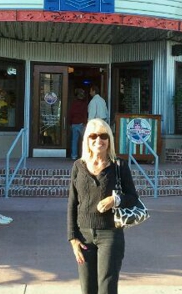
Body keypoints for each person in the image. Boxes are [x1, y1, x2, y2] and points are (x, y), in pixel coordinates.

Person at [67, 118, 140, 294]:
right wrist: (72, 238)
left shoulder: (119, 165)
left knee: (107, 287)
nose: (98, 140)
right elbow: (72, 203)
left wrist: (115, 200)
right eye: (93, 136)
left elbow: (133, 197)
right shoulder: (78, 166)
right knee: (87, 289)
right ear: (87, 140)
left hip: (110, 234)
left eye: (103, 136)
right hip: (84, 236)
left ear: (109, 139)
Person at [69, 88, 87, 160]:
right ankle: (84, 156)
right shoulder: (84, 104)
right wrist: (85, 123)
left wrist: (70, 123)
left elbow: (71, 113)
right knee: (84, 141)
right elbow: (85, 114)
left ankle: (74, 155)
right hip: (82, 123)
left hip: (74, 123)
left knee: (74, 140)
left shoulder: (74, 103)